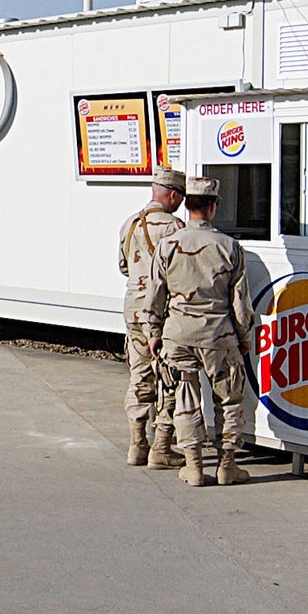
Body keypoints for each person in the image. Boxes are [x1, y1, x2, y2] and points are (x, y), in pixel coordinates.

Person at [144, 176, 257, 486]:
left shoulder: (168, 244)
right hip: (218, 335)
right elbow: (239, 302)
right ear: (213, 206)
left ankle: (193, 466)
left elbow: (155, 295)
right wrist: (244, 338)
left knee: (184, 396)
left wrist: (153, 333)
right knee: (229, 400)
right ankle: (226, 466)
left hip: (178, 335)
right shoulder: (230, 247)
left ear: (187, 204)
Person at [117, 168, 187, 469]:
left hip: (133, 308)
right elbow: (181, 272)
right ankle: (162, 446)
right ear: (173, 195)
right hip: (163, 311)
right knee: (169, 376)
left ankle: (137, 444)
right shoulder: (175, 227)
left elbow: (122, 266)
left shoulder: (129, 224)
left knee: (139, 374)